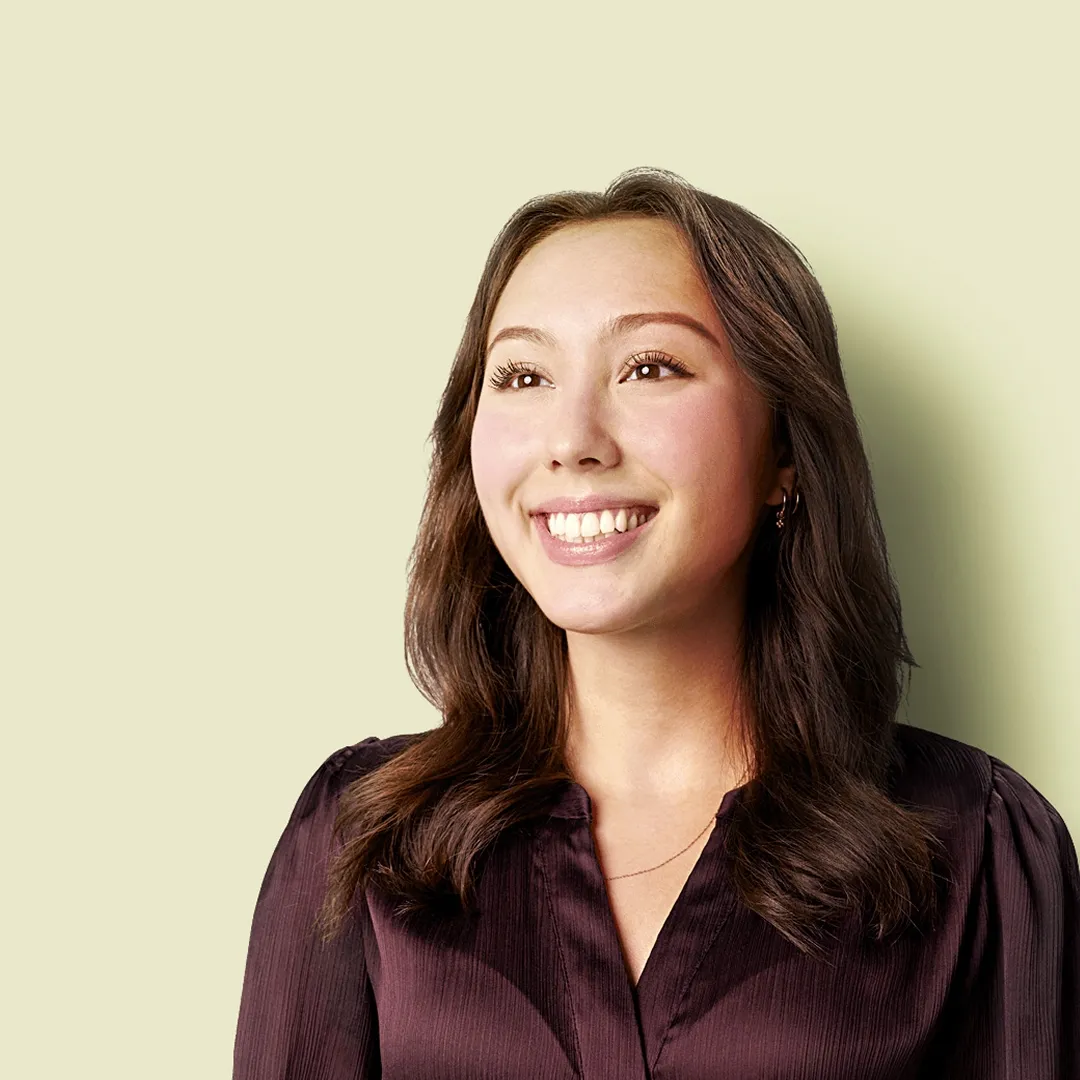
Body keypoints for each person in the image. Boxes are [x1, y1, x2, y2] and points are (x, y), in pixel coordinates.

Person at [233, 167, 1080, 1079]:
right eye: (522, 375)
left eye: (649, 368)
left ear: (785, 451)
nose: (573, 440)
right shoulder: (360, 838)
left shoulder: (978, 848)